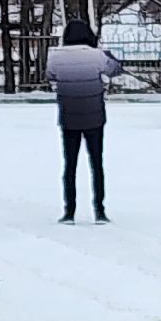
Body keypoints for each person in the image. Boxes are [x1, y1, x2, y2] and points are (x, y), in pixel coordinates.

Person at [46, 19, 125, 224]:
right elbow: (115, 69)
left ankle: (69, 211)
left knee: (70, 165)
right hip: (94, 116)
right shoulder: (97, 56)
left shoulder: (55, 57)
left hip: (69, 116)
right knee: (96, 163)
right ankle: (99, 210)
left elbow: (50, 76)